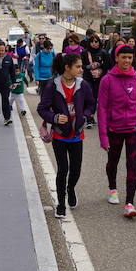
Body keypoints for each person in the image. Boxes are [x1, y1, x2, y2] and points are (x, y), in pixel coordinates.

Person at [97, 44, 136, 218]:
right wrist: (103, 137)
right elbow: (102, 109)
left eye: (130, 58)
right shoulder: (107, 80)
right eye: (124, 57)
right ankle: (112, 188)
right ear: (116, 58)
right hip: (114, 128)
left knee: (133, 165)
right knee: (112, 162)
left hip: (135, 128)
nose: (127, 61)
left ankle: (130, 203)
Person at [37, 53, 95, 218]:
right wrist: (54, 117)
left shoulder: (83, 85)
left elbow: (91, 104)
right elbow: (42, 108)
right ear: (67, 67)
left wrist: (84, 115)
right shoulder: (52, 86)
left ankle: (71, 189)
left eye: (81, 66)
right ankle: (61, 203)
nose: (81, 69)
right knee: (63, 169)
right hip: (60, 135)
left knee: (76, 169)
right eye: (78, 66)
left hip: (77, 134)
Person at [81, 35, 110, 128]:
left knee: (98, 98)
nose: (94, 43)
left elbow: (109, 65)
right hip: (88, 78)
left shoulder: (103, 52)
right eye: (92, 41)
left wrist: (100, 67)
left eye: (96, 41)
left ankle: (93, 116)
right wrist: (88, 67)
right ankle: (89, 118)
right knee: (90, 98)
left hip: (100, 79)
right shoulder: (85, 52)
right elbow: (81, 65)